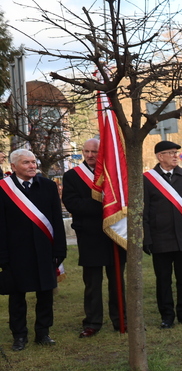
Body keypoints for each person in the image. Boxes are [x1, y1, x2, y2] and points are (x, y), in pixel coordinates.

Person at [0, 149, 66, 351]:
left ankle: (43, 333)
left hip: (44, 250)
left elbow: (56, 220)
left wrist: (59, 250)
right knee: (17, 297)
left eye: (33, 162)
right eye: (26, 162)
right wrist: (3, 257)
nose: (32, 166)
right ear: (13, 166)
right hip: (16, 253)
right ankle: (19, 336)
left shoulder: (48, 186)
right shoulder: (3, 189)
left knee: (45, 294)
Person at [62, 138, 126, 338]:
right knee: (92, 284)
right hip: (89, 236)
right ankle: (92, 323)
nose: (90, 155)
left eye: (95, 152)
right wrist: (106, 205)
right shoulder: (72, 176)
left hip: (115, 233)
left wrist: (111, 207)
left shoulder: (113, 175)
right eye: (87, 151)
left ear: (103, 152)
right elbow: (73, 204)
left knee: (117, 281)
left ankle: (121, 319)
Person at [143, 140, 182, 329]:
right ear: (160, 156)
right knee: (163, 280)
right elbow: (144, 211)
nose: (175, 156)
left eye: (176, 152)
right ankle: (167, 316)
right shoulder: (148, 179)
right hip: (160, 238)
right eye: (171, 153)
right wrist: (146, 238)